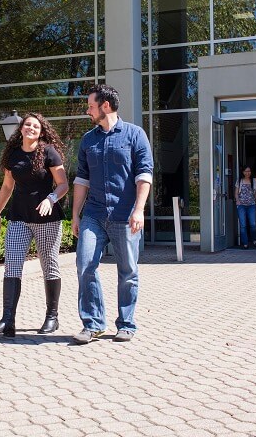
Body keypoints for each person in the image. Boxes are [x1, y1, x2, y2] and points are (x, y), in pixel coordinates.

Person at [71, 85, 154, 345]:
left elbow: (144, 175)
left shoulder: (135, 135)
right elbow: (81, 180)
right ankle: (93, 324)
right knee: (85, 266)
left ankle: (126, 324)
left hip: (125, 214)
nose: (88, 110)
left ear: (105, 105)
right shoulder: (88, 140)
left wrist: (139, 210)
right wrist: (75, 215)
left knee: (127, 271)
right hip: (94, 214)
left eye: (91, 106)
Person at [0, 113, 69, 338]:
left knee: (49, 266)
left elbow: (63, 184)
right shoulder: (13, 155)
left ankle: (52, 317)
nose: (31, 128)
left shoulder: (49, 152)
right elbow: (6, 187)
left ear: (41, 131)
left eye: (35, 126)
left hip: (47, 220)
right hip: (19, 218)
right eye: (27, 125)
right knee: (12, 265)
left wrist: (51, 199)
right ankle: (7, 321)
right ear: (21, 129)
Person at [235, 165, 256, 249]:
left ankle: (254, 239)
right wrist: (237, 201)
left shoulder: (254, 181)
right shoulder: (239, 181)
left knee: (253, 224)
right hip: (241, 205)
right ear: (243, 172)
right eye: (246, 171)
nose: (247, 173)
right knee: (243, 225)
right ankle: (245, 243)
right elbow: (236, 192)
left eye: (249, 171)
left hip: (252, 205)